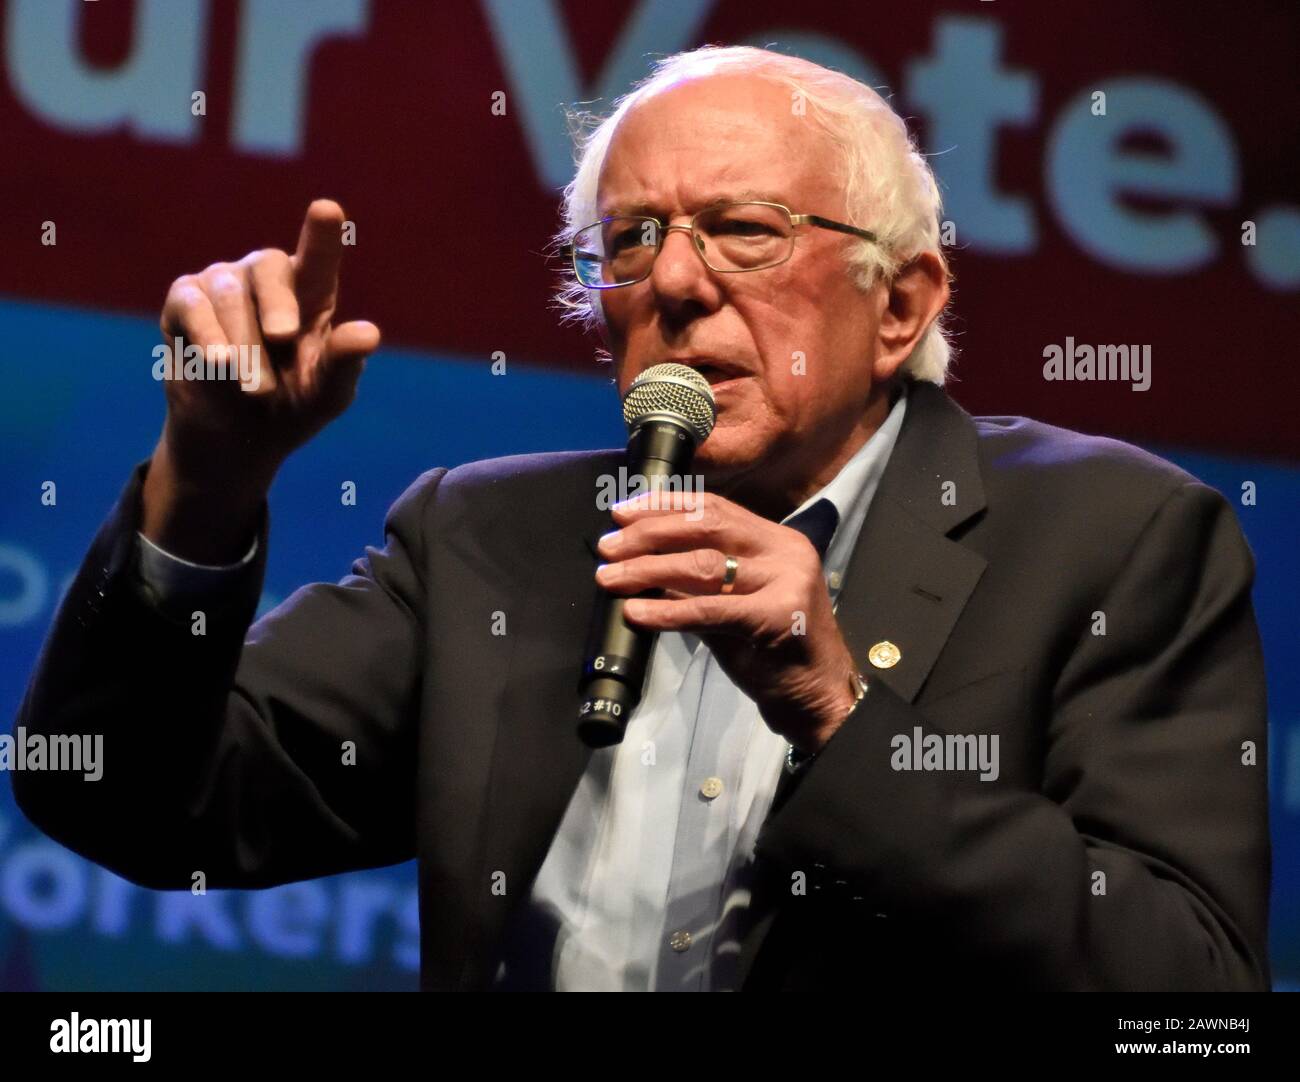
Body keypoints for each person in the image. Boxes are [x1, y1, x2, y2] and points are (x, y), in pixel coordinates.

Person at [13, 46, 1270, 991]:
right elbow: (124, 799)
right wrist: (211, 477)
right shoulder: (483, 542)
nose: (673, 280)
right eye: (629, 240)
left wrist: (836, 714)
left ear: (901, 304)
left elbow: (1192, 997)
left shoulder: (1110, 537)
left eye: (742, 231)